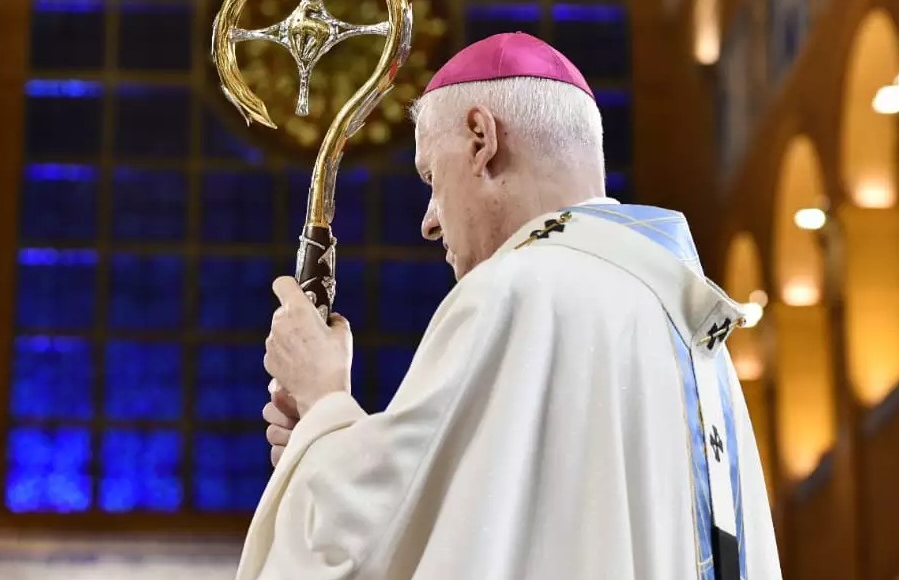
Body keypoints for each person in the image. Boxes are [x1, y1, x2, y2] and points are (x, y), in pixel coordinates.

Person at [238, 32, 782, 580]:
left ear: (481, 139)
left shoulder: (516, 291)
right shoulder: (684, 322)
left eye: (431, 177)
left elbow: (367, 539)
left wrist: (322, 400)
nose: (428, 221)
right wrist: (321, 436)